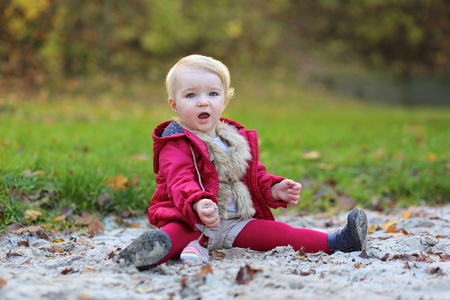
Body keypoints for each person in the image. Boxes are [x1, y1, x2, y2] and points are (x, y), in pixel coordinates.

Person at [117, 54, 368, 270]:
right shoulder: (175, 142)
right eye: (191, 95)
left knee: (281, 234)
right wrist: (198, 203)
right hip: (193, 221)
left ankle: (337, 242)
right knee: (172, 237)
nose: (203, 101)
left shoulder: (235, 140)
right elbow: (179, 180)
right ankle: (142, 256)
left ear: (224, 100)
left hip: (236, 223)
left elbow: (252, 176)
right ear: (174, 105)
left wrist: (273, 188)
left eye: (212, 94)